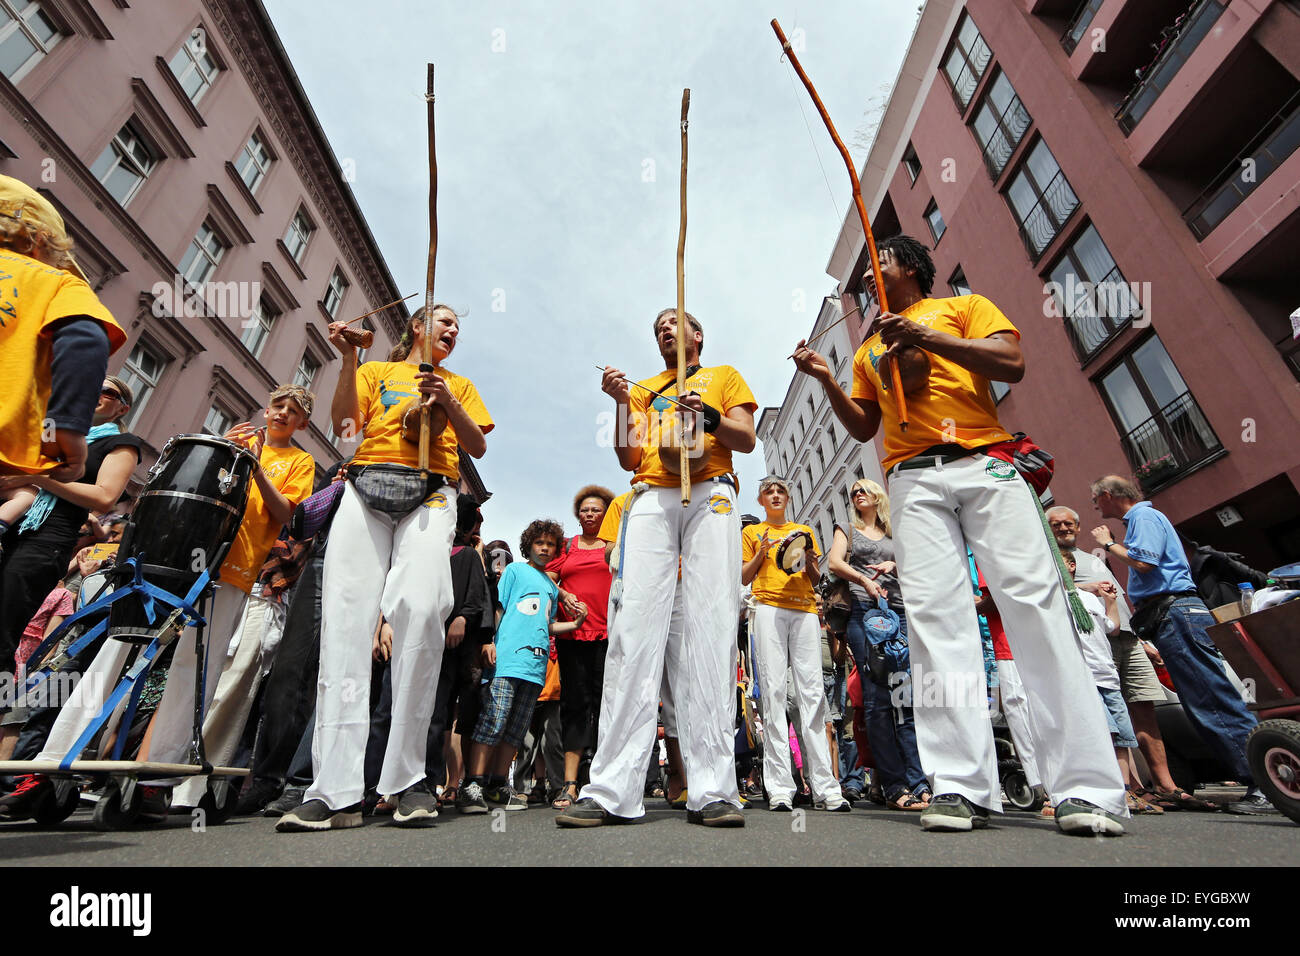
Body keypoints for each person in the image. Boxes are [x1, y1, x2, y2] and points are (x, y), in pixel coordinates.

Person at [792, 235, 1126, 836]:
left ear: (913, 267)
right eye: (866, 270)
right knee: (934, 621)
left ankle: (1085, 788)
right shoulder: (869, 346)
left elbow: (1009, 362)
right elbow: (866, 422)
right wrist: (826, 380)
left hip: (985, 461)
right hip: (912, 478)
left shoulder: (962, 307)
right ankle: (961, 786)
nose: (871, 275)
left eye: (880, 262)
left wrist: (925, 338)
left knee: (1033, 605)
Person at [278, 305, 492, 832]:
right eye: (444, 322)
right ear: (417, 327)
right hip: (365, 483)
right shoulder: (376, 371)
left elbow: (478, 445)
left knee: (422, 612)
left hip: (432, 491)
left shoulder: (458, 382)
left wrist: (445, 401)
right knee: (346, 625)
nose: (453, 331)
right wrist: (350, 356)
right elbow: (347, 428)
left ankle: (407, 778)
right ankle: (334, 789)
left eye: (458, 328)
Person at [558, 308, 757, 828]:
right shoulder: (646, 388)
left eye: (674, 323)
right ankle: (610, 789)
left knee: (712, 632)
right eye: (657, 329)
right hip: (651, 495)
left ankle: (713, 787)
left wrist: (708, 417)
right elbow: (629, 457)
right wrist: (624, 402)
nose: (665, 331)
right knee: (632, 635)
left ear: (698, 335)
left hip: (711, 492)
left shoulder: (724, 377)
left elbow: (745, 439)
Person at [144, 386, 315, 800]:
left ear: (303, 423)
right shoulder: (238, 440)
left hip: (244, 576)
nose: (283, 414)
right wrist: (227, 451)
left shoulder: (299, 460)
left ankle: (172, 781)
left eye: (293, 411)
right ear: (266, 408)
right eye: (278, 406)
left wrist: (255, 468)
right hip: (193, 561)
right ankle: (135, 764)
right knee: (155, 663)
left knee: (209, 672)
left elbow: (288, 516)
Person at [1089, 475, 1274, 815]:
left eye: (1096, 501)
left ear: (1107, 495)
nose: (1096, 508)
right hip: (1173, 614)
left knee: (1211, 699)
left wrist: (1109, 544)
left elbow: (1145, 561)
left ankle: (1264, 783)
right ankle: (1260, 778)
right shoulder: (1146, 518)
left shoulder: (1142, 518)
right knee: (1204, 699)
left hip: (1175, 612)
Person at [1047, 506, 1202, 812]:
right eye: (1056, 525)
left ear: (1078, 528)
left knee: (1143, 708)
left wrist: (1142, 639)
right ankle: (1128, 788)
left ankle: (1164, 785)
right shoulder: (1050, 560)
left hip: (1128, 639)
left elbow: (1117, 601)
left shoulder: (1093, 558)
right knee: (1110, 714)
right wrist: (1085, 586)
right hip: (1096, 644)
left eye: (1068, 523)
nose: (1063, 528)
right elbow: (1048, 591)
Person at [458, 519, 586, 813]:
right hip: (507, 660)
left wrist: (575, 624)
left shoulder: (550, 588)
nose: (544, 548)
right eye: (539, 543)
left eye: (550, 544)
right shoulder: (515, 570)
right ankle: (473, 784)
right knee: (494, 720)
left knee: (515, 729)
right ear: (528, 545)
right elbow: (498, 607)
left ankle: (498, 785)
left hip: (535, 666)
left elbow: (547, 624)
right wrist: (488, 640)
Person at [742, 475, 847, 812]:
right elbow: (744, 576)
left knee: (812, 695)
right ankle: (780, 788)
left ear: (787, 498)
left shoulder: (803, 531)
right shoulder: (751, 533)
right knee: (772, 694)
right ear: (761, 501)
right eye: (768, 492)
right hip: (768, 608)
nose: (774, 495)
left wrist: (814, 565)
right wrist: (761, 554)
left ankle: (826, 787)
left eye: (780, 491)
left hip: (803, 610)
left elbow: (816, 581)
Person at [826, 477, 930, 811]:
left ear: (877, 496)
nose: (857, 494)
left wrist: (894, 565)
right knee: (876, 698)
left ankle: (918, 780)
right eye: (853, 492)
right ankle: (894, 784)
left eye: (863, 490)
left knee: (905, 695)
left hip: (897, 611)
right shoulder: (847, 529)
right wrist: (864, 581)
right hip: (864, 615)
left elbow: (918, 560)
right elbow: (834, 563)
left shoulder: (892, 530)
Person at [546, 484, 616, 809]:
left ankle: (604, 780)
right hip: (572, 636)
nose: (589, 514)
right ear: (578, 515)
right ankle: (570, 784)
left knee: (606, 709)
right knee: (574, 707)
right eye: (585, 510)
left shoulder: (614, 545)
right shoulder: (567, 546)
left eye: (596, 510)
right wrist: (563, 594)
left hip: (609, 636)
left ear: (606, 514)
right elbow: (543, 575)